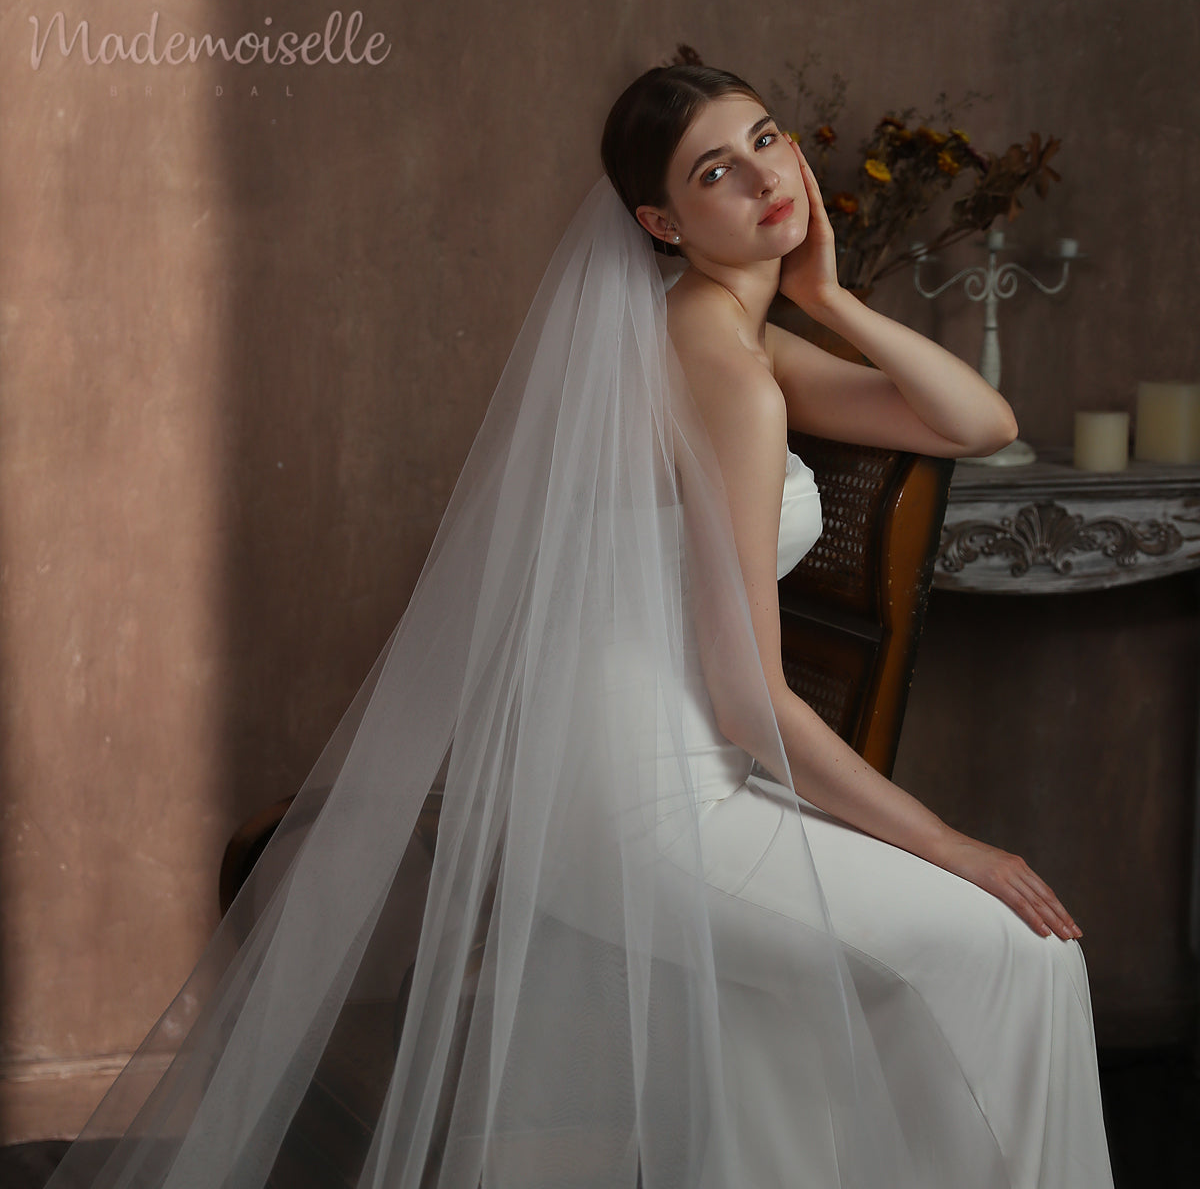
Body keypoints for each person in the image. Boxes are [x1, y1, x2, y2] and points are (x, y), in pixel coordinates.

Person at [43, 64, 1114, 1189]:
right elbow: (751, 702)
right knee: (1022, 955)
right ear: (660, 221)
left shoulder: (715, 337)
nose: (765, 178)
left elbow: (980, 422)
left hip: (586, 789)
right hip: (654, 809)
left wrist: (832, 301)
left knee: (921, 976)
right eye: (717, 170)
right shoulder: (735, 384)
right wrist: (950, 846)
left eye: (767, 140)